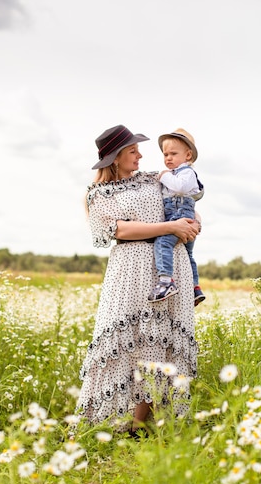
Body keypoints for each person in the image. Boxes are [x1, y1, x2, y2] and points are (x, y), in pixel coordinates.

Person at [74, 124, 199, 436]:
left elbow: (185, 200)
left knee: (159, 343)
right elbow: (119, 230)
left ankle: (140, 424)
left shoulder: (153, 179)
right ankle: (101, 421)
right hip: (129, 269)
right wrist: (168, 228)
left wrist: (191, 225)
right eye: (132, 150)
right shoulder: (98, 194)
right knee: (123, 339)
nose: (140, 155)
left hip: (170, 266)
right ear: (115, 157)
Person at [148, 129, 205, 306]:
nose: (168, 158)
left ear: (188, 155)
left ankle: (166, 281)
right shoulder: (176, 173)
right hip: (182, 215)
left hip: (179, 216)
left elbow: (179, 188)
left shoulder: (186, 173)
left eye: (173, 153)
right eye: (165, 154)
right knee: (188, 254)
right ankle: (195, 288)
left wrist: (164, 175)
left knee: (163, 242)